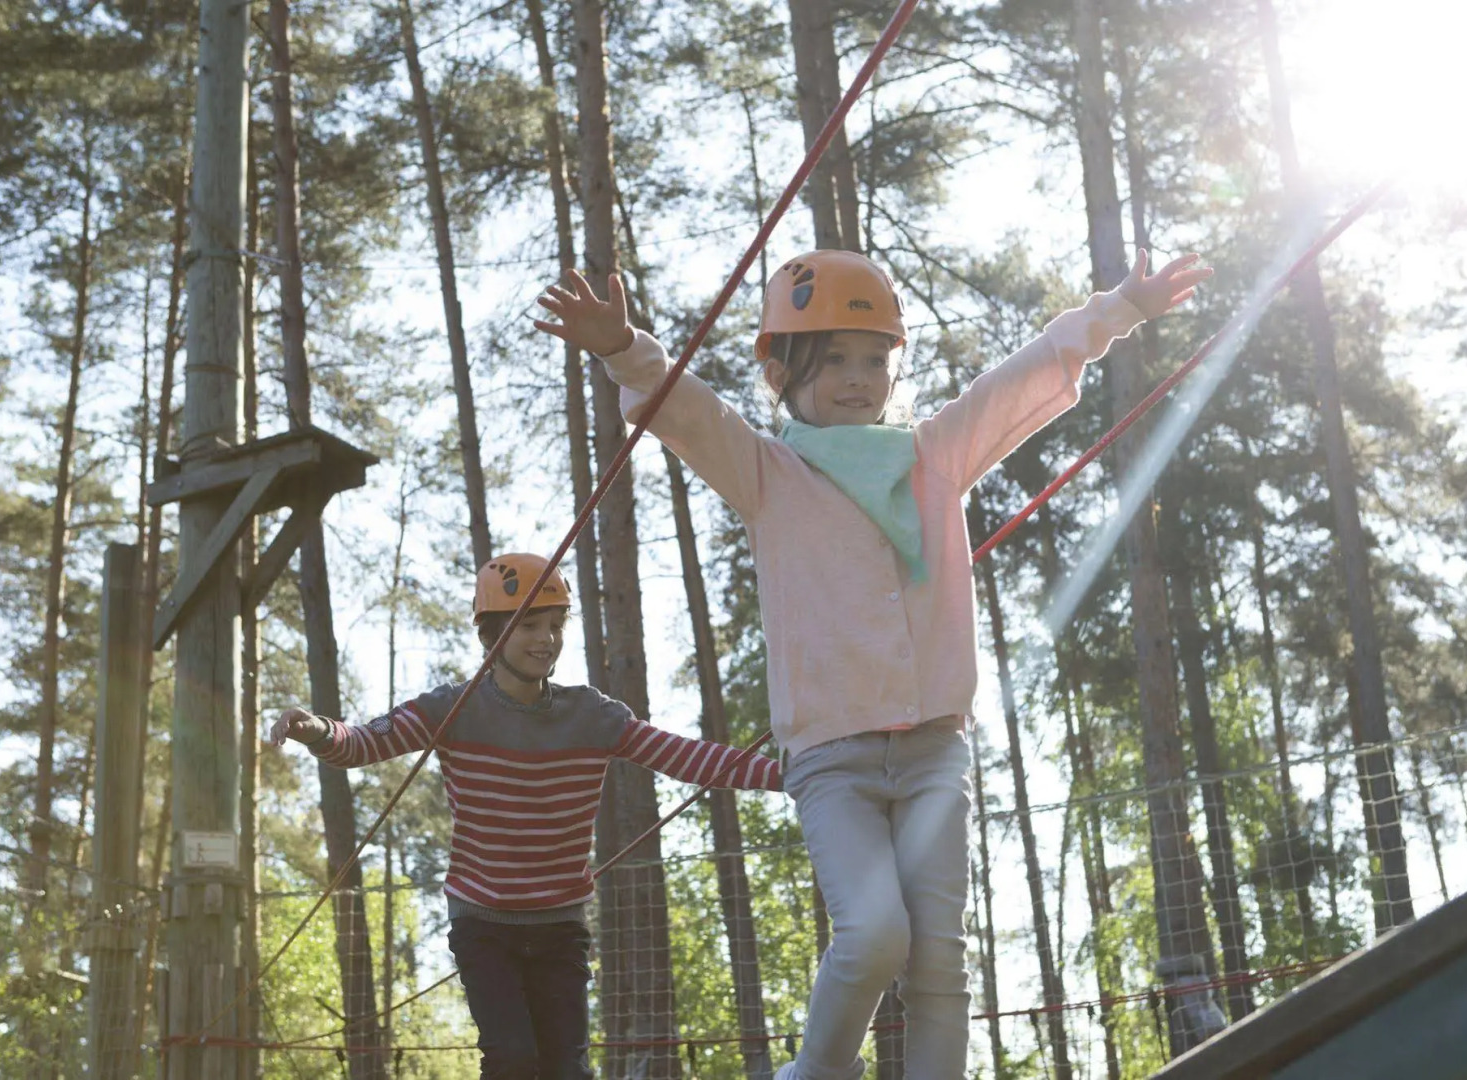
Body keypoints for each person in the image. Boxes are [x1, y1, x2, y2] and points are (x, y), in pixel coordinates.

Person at [532, 248, 1211, 1079]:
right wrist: (620, 346)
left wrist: (1120, 310)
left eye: (873, 360)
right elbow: (688, 411)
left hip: (932, 752)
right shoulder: (767, 473)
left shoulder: (934, 456)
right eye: (832, 361)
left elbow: (1023, 377)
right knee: (873, 933)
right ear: (780, 373)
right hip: (833, 760)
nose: (857, 378)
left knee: (939, 962)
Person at [269, 553, 783, 1080]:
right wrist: (316, 730)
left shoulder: (592, 716)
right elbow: (362, 743)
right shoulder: (452, 708)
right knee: (512, 1059)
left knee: (567, 1070)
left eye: (556, 625)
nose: (546, 639)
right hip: (483, 924)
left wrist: (784, 774)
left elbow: (685, 756)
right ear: (491, 634)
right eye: (530, 625)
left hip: (560, 927)